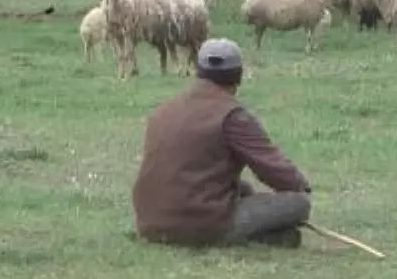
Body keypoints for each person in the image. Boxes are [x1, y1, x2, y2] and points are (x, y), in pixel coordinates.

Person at [131, 38, 313, 248]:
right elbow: (271, 166)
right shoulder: (232, 116)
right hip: (199, 223)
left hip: (149, 224)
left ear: (198, 71)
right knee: (297, 204)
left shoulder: (164, 110)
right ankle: (245, 237)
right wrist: (300, 186)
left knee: (243, 189)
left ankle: (273, 238)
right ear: (239, 76)